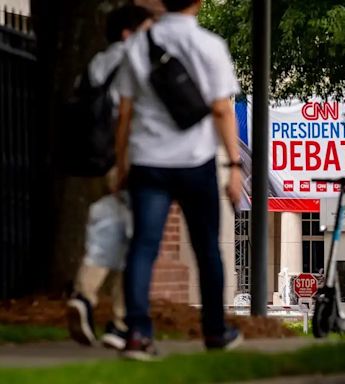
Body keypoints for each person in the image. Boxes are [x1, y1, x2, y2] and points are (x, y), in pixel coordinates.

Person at [114, 0, 242, 360]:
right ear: (198, 2)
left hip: (147, 161)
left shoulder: (137, 45)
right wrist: (234, 165)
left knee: (143, 247)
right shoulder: (209, 45)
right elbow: (221, 108)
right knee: (207, 250)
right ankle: (215, 332)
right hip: (195, 161)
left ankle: (138, 333)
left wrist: (121, 163)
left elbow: (125, 111)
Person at [66, 4, 153, 350]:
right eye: (146, 28)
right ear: (129, 33)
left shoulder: (98, 63)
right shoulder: (135, 60)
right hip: (126, 157)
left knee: (115, 230)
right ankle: (117, 319)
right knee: (137, 239)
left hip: (95, 160)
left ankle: (86, 297)